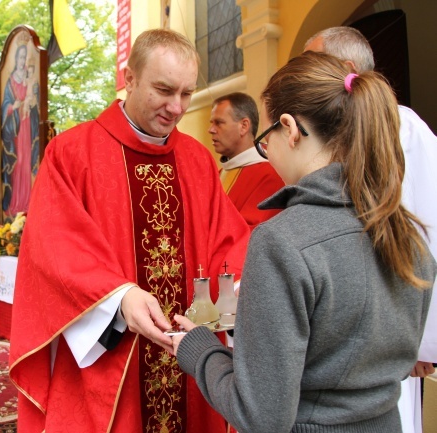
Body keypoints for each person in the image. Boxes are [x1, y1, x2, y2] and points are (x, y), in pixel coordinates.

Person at [172, 51, 436, 433]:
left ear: (289, 128)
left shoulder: (281, 242)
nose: (267, 154)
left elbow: (261, 415)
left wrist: (197, 349)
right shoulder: (406, 233)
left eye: (265, 141)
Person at [9, 29, 250, 433]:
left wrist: (236, 290)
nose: (177, 108)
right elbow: (54, 248)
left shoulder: (196, 160)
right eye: (164, 89)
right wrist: (120, 298)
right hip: (111, 360)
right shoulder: (72, 153)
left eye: (187, 94)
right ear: (130, 78)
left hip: (191, 362)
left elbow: (229, 241)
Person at [304, 26, 437, 433]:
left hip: (390, 336)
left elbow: (426, 229)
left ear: (345, 69)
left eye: (312, 61)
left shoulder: (403, 130)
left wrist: (421, 340)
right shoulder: (338, 132)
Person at [209, 92, 284, 229]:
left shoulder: (270, 175)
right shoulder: (218, 175)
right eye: (211, 123)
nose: (211, 130)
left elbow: (252, 233)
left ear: (244, 126)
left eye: (219, 123)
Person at [1, 42, 40, 216]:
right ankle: (16, 203)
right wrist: (12, 107)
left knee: (26, 162)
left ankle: (28, 203)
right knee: (18, 163)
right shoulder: (10, 81)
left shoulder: (29, 78)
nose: (22, 60)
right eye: (20, 57)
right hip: (15, 128)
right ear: (16, 59)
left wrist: (31, 104)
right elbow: (5, 106)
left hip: (27, 128)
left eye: (25, 57)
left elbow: (34, 101)